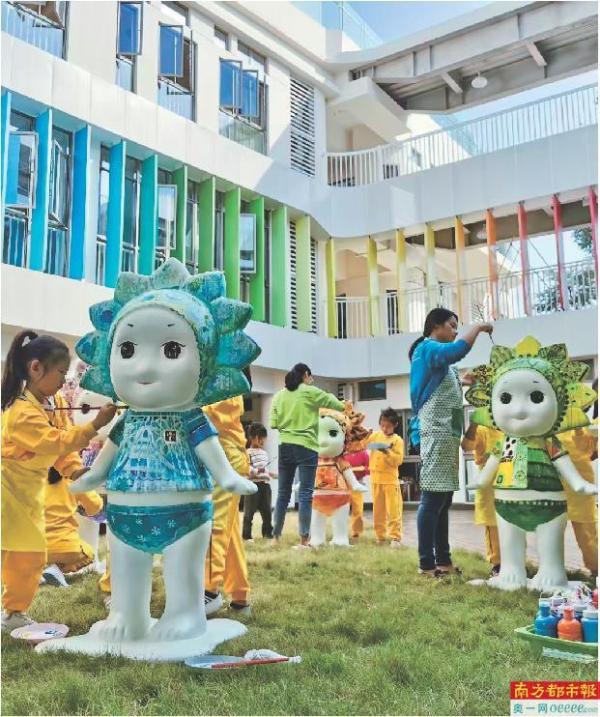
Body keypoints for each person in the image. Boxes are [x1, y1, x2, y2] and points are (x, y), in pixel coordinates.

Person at [1, 330, 116, 632]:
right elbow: (55, 442)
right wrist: (95, 424)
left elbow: (62, 452)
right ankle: (12, 612)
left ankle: (13, 611)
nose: (64, 380)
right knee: (26, 554)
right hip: (9, 494)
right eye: (61, 373)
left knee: (29, 555)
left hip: (27, 496)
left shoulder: (52, 403)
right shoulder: (21, 413)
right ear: (35, 368)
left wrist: (77, 472)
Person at [409, 309, 493, 578]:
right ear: (436, 325)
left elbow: (451, 374)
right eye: (452, 325)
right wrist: (477, 328)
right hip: (435, 432)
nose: (456, 331)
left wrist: (469, 379)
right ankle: (426, 564)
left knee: (443, 500)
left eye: (459, 326)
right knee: (433, 499)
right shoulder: (427, 348)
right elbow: (456, 351)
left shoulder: (440, 362)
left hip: (447, 435)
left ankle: (443, 561)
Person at [270, 363, 345, 549]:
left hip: (285, 446)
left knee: (283, 493)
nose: (311, 380)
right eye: (310, 376)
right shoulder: (309, 391)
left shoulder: (279, 396)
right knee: (305, 493)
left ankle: (275, 537)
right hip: (306, 447)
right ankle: (304, 539)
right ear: (305, 375)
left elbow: (273, 424)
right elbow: (336, 405)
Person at [203, 395, 252, 616]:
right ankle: (240, 597)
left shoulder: (225, 387)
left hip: (224, 460)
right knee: (228, 532)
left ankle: (209, 589)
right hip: (219, 458)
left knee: (215, 524)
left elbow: (206, 413)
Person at [461, 422, 504, 577]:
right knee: (493, 525)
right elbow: (466, 446)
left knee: (514, 523)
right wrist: (474, 424)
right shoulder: (482, 430)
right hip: (489, 486)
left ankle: (516, 561)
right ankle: (497, 564)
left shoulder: (511, 427)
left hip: (511, 484)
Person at [367, 408, 405, 547]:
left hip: (390, 481)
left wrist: (387, 452)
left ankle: (395, 538)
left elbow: (398, 460)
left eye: (388, 426)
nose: (384, 428)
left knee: (393, 510)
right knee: (378, 511)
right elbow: (363, 444)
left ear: (395, 425)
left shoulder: (397, 440)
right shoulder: (375, 436)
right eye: (382, 425)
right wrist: (365, 434)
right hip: (375, 479)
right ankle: (380, 537)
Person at [242, 423, 274, 541]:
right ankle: (246, 535)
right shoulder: (247, 453)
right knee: (249, 513)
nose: (263, 441)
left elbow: (266, 470)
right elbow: (247, 469)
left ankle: (268, 534)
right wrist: (257, 471)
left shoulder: (264, 453)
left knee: (267, 512)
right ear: (254, 437)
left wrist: (272, 474)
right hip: (252, 486)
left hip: (265, 486)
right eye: (262, 438)